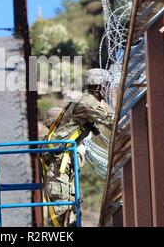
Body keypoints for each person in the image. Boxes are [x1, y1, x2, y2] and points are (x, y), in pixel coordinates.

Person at [42, 68, 114, 227]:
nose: (109, 89)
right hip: (59, 168)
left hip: (64, 166)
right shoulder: (88, 102)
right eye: (107, 85)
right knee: (61, 218)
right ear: (99, 85)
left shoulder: (86, 100)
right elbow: (113, 121)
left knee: (71, 215)